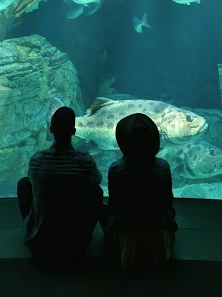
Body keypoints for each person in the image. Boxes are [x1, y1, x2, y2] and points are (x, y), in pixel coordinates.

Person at [17, 106, 103, 263]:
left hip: (39, 245)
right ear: (74, 131)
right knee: (97, 192)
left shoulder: (37, 159)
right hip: (77, 246)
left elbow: (33, 182)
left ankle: (33, 228)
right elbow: (97, 181)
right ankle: (85, 234)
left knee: (24, 184)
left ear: (51, 129)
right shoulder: (85, 160)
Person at [105, 112, 178, 270]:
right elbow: (168, 202)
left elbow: (113, 206)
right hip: (161, 240)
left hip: (126, 239)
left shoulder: (116, 169)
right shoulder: (163, 166)